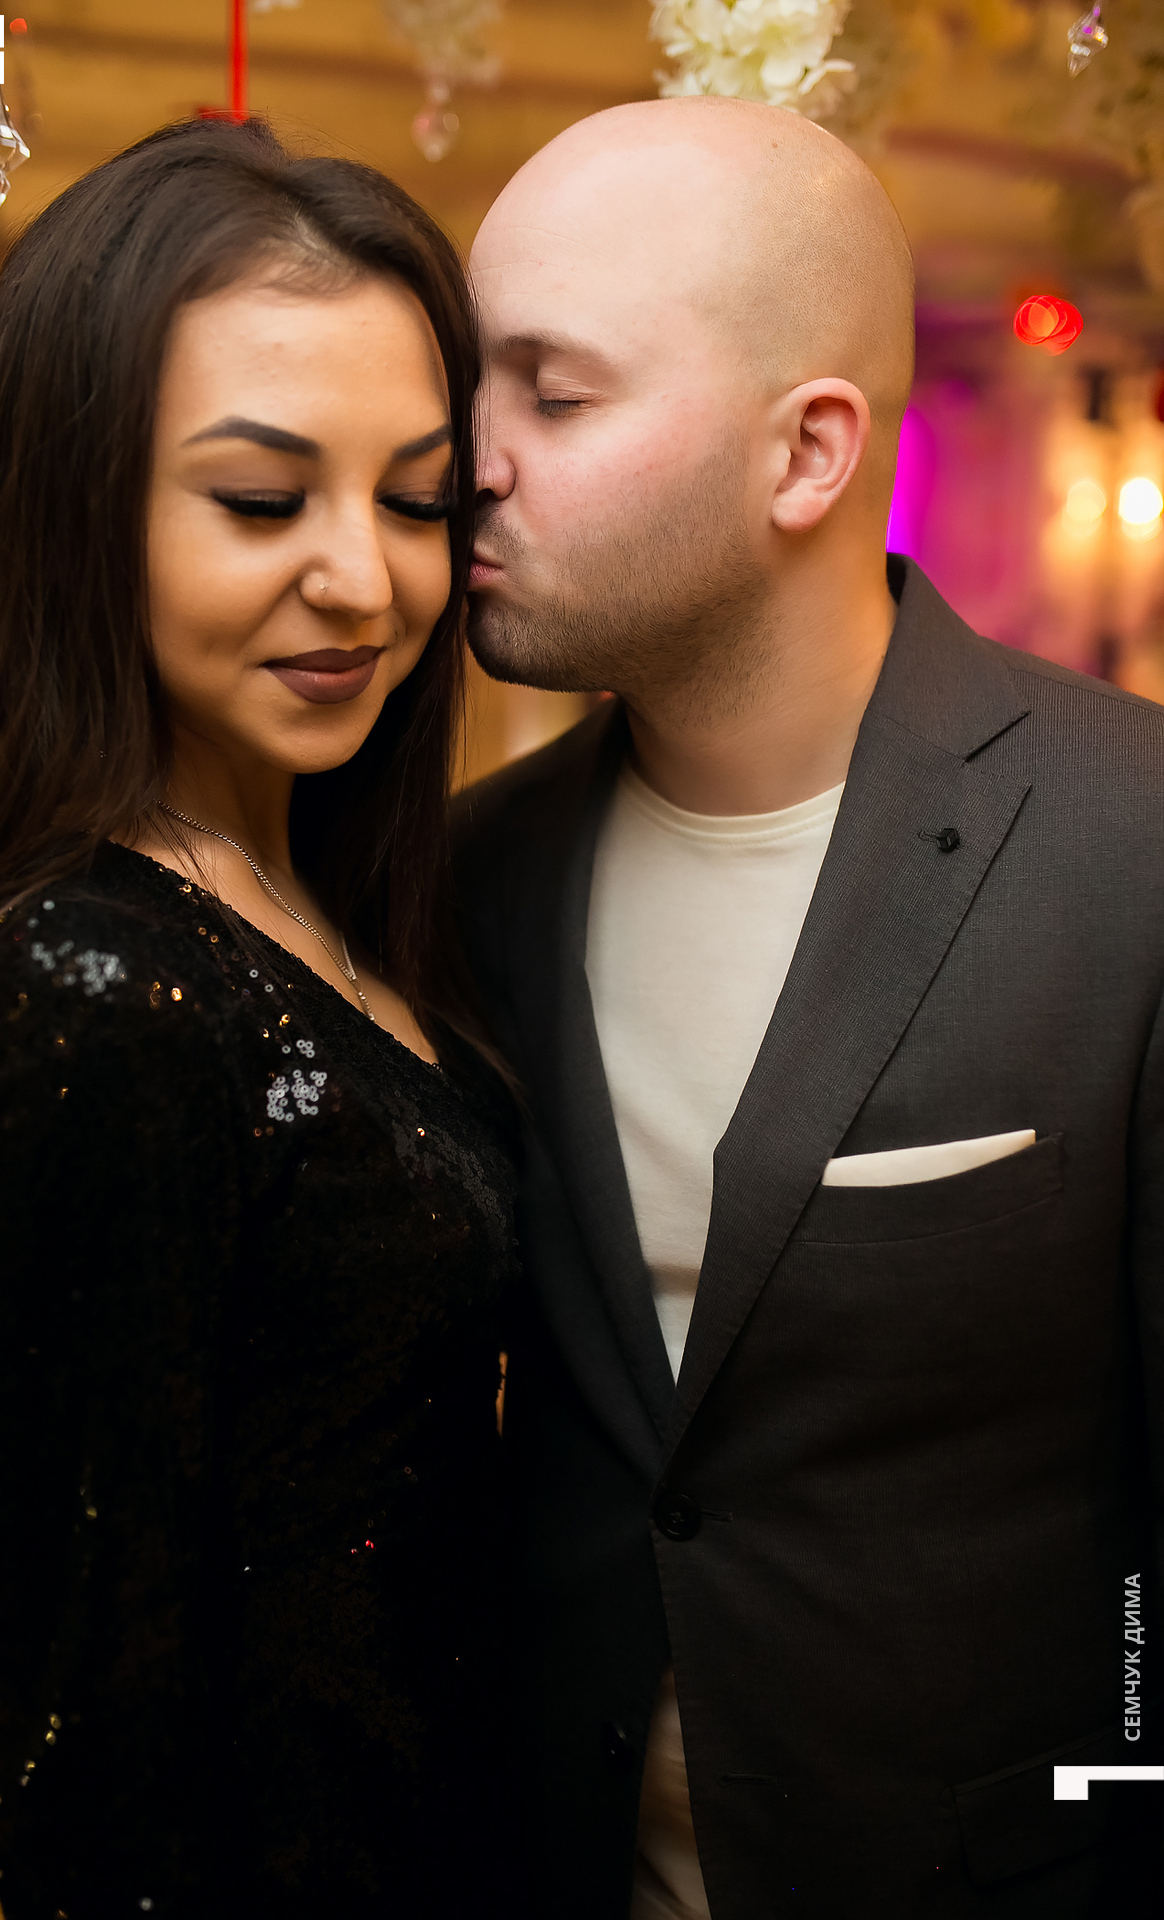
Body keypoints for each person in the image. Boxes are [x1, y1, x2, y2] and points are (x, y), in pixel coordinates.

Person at [454, 96, 1164, 1919]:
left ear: (810, 453)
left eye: (555, 394)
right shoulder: (469, 875)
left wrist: (1125, 1798)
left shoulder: (1132, 842)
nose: (470, 460)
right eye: (471, 384)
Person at [0, 119, 517, 1917]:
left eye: (416, 500)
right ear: (75, 503)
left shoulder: (324, 885)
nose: (366, 579)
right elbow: (98, 1739)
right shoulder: (77, 985)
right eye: (260, 499)